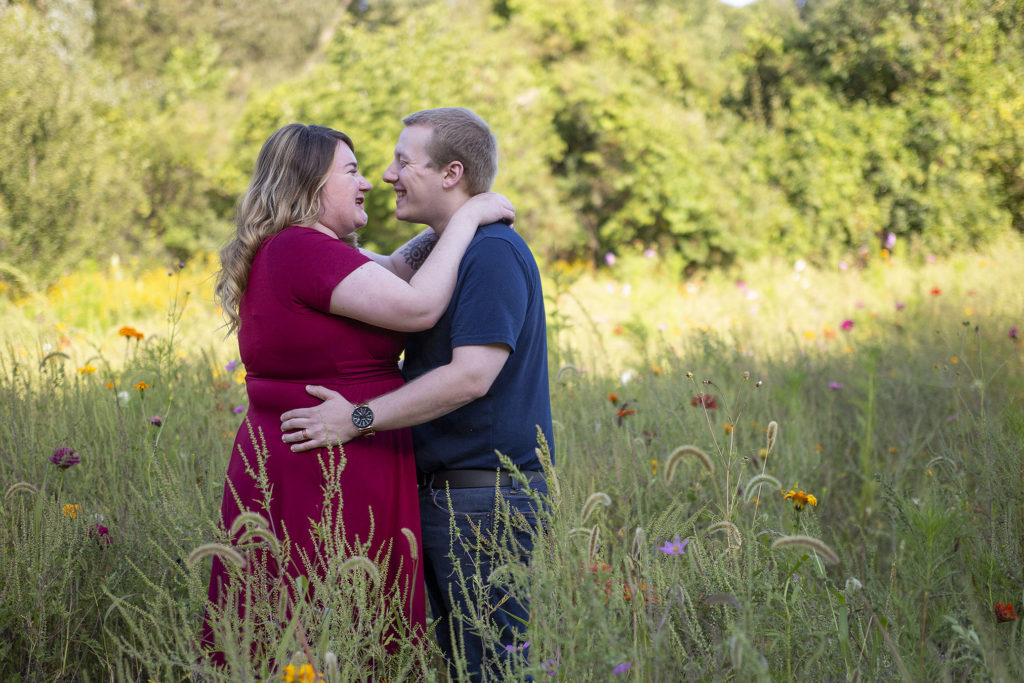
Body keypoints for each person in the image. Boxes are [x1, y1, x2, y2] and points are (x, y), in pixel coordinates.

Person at [202, 122, 514, 667]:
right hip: (322, 467)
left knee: (335, 630)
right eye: (351, 172)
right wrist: (465, 217)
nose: (368, 182)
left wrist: (447, 218)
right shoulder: (300, 249)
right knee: (324, 628)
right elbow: (417, 307)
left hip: (335, 456)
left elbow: (396, 269)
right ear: (309, 186)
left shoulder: (301, 249)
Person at [280, 107, 553, 681]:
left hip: (484, 502)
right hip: (444, 499)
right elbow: (373, 268)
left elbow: (471, 376)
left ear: (451, 173)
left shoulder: (492, 254)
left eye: (404, 162)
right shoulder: (447, 247)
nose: (387, 175)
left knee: (489, 672)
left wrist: (358, 417)